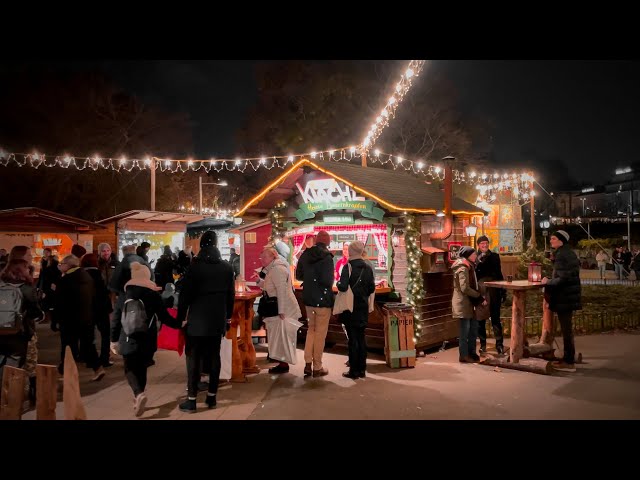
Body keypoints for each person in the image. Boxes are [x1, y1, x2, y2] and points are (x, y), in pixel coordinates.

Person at [110, 262, 181, 417]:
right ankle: (139, 395)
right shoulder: (153, 295)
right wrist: (179, 324)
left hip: (128, 338)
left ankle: (138, 394)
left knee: (129, 368)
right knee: (141, 367)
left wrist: (113, 340)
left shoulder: (124, 296)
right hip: (147, 339)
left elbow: (115, 320)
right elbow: (165, 317)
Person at [177, 231, 235, 413]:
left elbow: (184, 296)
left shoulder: (195, 267)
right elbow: (230, 296)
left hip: (197, 320)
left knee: (193, 358)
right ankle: (211, 397)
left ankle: (192, 400)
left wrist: (180, 319)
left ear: (201, 245)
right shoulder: (226, 267)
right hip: (217, 318)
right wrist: (227, 318)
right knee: (214, 356)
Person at [52, 255, 105, 381]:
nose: (60, 265)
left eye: (62, 263)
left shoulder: (65, 280)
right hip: (86, 317)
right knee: (87, 345)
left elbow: (59, 302)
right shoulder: (86, 276)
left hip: (69, 318)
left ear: (68, 265)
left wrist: (55, 320)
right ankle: (98, 368)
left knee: (68, 347)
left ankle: (66, 373)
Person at [0, 259, 41, 403]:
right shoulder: (27, 289)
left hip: (1, 332)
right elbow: (35, 312)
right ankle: (14, 400)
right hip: (19, 334)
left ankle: (3, 397)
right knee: (19, 366)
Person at [295, 230, 334, 378]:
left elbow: (299, 276)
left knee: (311, 330)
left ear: (317, 240)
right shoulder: (327, 257)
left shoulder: (305, 254)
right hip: (323, 300)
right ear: (327, 241)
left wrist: (310, 279)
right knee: (320, 334)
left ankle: (307, 364)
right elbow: (327, 281)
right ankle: (317, 366)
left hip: (309, 298)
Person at [541, 230, 582, 373]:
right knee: (567, 329)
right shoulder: (567, 253)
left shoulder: (562, 255)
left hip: (565, 296)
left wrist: (548, 281)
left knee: (566, 329)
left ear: (561, 241)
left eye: (553, 239)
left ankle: (568, 361)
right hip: (568, 296)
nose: (551, 241)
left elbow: (563, 278)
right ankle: (568, 357)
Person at [258, 246, 301, 374]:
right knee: (280, 337)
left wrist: (281, 311)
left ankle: (283, 364)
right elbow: (271, 286)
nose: (262, 260)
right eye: (261, 257)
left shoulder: (277, 269)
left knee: (283, 337)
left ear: (273, 257)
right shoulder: (273, 268)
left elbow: (281, 291)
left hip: (284, 308)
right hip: (280, 307)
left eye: (265, 257)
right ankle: (282, 363)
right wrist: (259, 282)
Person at [336, 241, 375, 379]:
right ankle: (362, 369)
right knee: (361, 337)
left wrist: (338, 283)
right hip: (362, 307)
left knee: (352, 339)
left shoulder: (348, 267)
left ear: (351, 251)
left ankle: (353, 370)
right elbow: (371, 288)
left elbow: (342, 286)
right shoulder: (368, 267)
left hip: (350, 308)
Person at [451, 246, 485, 363]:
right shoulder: (463, 267)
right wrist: (478, 296)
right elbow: (464, 287)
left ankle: (472, 353)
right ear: (468, 255)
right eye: (474, 254)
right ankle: (464, 355)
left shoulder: (470, 265)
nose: (476, 256)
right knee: (464, 331)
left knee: (473, 330)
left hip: (470, 303)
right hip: (463, 303)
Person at [474, 235, 506, 354]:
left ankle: (499, 344)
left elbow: (498, 273)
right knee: (481, 319)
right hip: (481, 290)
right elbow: (474, 275)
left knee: (495, 318)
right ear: (478, 245)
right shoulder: (475, 258)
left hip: (493, 289)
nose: (485, 245)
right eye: (482, 243)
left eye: (486, 243)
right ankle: (482, 344)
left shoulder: (494, 256)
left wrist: (503, 291)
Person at [81, 253, 114, 367]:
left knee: (89, 334)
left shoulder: (81, 274)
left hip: (86, 308)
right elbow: (103, 292)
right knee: (105, 334)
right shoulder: (97, 274)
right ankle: (104, 358)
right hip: (100, 308)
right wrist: (109, 309)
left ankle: (90, 359)